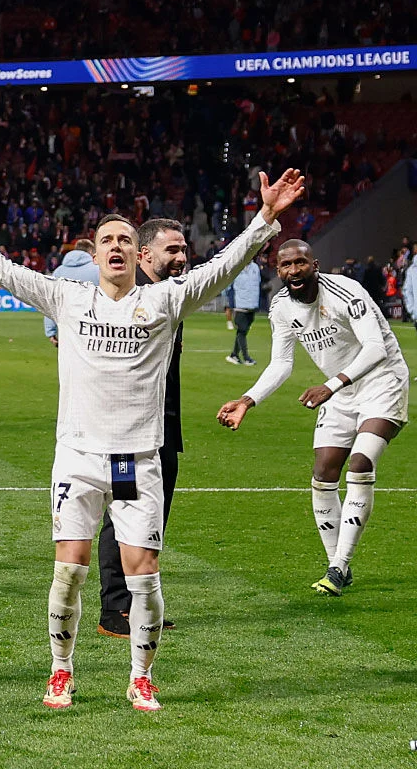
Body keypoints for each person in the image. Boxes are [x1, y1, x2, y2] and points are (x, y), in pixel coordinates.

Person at [0, 167, 303, 712]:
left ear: (136, 254)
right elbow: (1, 269)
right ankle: (60, 671)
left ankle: (141, 676)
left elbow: (225, 266)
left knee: (142, 573)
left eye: (125, 238)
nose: (117, 246)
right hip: (77, 457)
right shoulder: (67, 298)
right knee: (69, 568)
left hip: (138, 458)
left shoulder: (167, 300)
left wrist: (266, 218)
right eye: (108, 240)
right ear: (95, 255)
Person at [217, 240, 409, 595]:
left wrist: (330, 385)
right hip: (338, 392)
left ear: (314, 264)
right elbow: (281, 363)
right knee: (323, 472)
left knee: (361, 461)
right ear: (279, 271)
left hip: (382, 381)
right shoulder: (280, 308)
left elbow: (376, 348)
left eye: (301, 263)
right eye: (286, 265)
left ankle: (338, 567)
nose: (294, 271)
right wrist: (248, 400)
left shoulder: (346, 291)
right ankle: (336, 559)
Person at [94, 218, 190, 638]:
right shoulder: (131, 300)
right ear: (145, 253)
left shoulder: (169, 299)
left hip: (163, 429)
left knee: (151, 517)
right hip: (128, 435)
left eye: (184, 248)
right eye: (172, 250)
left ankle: (137, 601)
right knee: (124, 513)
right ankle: (116, 607)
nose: (182, 257)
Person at [42, 238, 97, 346]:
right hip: (93, 330)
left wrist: (50, 331)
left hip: (67, 329)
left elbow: (51, 301)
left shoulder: (58, 272)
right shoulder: (98, 270)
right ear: (91, 252)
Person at [228, 259, 261, 365]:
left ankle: (234, 355)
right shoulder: (236, 268)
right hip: (240, 305)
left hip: (252, 305)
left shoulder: (255, 267)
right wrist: (231, 304)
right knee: (242, 331)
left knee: (243, 331)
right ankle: (246, 358)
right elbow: (229, 286)